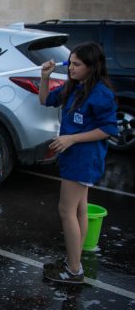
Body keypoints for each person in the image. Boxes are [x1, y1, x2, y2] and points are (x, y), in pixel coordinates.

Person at [39, 42, 117, 285]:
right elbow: (44, 100)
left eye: (77, 64)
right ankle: (75, 260)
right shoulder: (74, 86)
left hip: (84, 159)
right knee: (80, 208)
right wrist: (45, 77)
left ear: (92, 67)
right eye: (70, 63)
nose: (71, 68)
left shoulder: (101, 92)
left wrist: (71, 138)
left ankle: (73, 270)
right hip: (73, 157)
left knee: (66, 210)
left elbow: (107, 129)